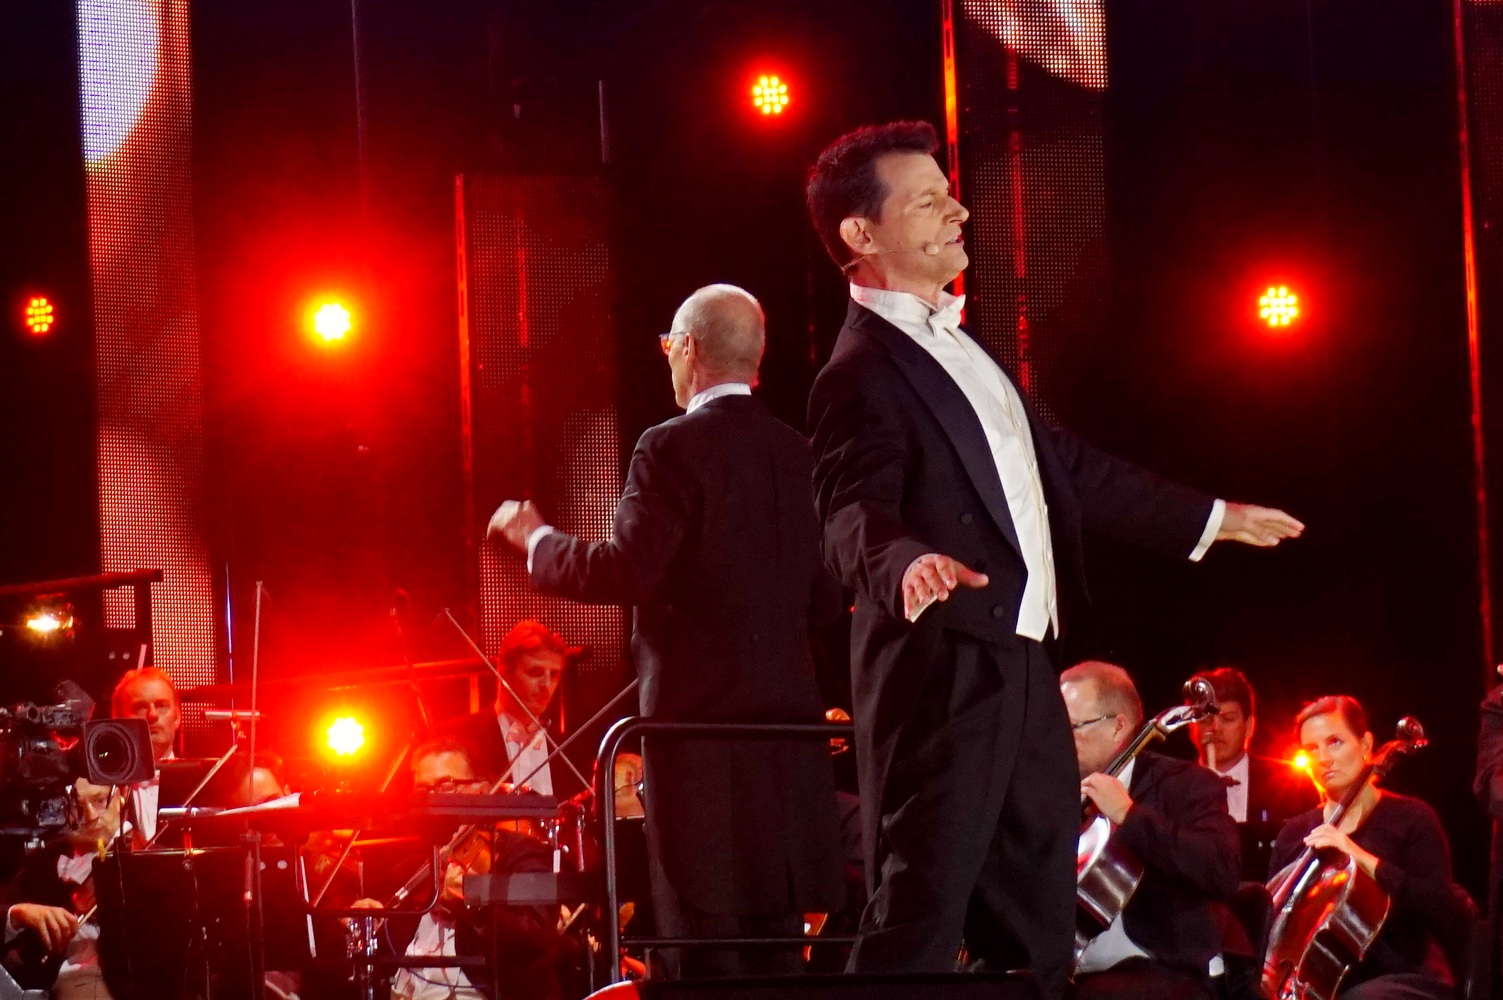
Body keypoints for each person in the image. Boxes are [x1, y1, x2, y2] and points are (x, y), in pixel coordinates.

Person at [803, 119, 1304, 994]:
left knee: (1035, 913)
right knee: (920, 907)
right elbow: (850, 512)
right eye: (926, 201)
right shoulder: (857, 372)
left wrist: (1208, 518)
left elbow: (1063, 468)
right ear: (861, 232)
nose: (958, 211)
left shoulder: (965, 346)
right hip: (944, 670)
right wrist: (904, 562)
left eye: (949, 193)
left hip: (1023, 662)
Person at [489, 284, 845, 978]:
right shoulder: (800, 455)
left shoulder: (669, 446)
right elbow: (827, 603)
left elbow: (626, 571)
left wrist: (536, 539)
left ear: (687, 348)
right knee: (778, 960)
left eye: (667, 346)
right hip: (785, 749)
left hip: (698, 747)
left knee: (703, 956)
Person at [1271, 696, 1469, 1000]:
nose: (1323, 758)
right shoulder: (1294, 833)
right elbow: (1273, 925)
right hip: (1319, 981)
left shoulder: (1412, 818)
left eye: (1335, 742)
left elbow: (1443, 909)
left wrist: (1360, 857)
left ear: (1365, 744)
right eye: (1311, 748)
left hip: (1406, 975)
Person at [1062, 662, 1239, 1000]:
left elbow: (1221, 869)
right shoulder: (1057, 792)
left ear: (1118, 726)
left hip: (1160, 968)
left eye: (1072, 726)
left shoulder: (1186, 784)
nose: (1058, 738)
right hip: (1069, 968)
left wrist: (1128, 815)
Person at [353, 736, 559, 1000]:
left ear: (482, 791)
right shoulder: (411, 864)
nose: (431, 798)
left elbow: (534, 939)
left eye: (445, 786)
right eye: (422, 790)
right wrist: (373, 923)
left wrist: (470, 904)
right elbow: (389, 949)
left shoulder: (520, 854)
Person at [1189, 667, 1317, 879]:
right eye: (1204, 719)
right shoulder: (1171, 789)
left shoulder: (1292, 786)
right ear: (1191, 728)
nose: (1215, 728)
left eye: (1227, 718)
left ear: (1249, 726)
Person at [0, 778, 123, 998]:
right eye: (76, 806)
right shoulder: (43, 861)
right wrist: (18, 914)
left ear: (121, 798)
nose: (90, 816)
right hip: (64, 977)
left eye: (100, 800)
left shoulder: (148, 854)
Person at [439, 621, 574, 796]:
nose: (546, 685)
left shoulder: (568, 750)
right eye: (535, 673)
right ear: (504, 673)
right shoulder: (457, 738)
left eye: (554, 675)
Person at [109, 667, 181, 846]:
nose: (152, 715)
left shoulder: (205, 784)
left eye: (161, 705)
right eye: (140, 707)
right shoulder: (103, 791)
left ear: (178, 717)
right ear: (117, 720)